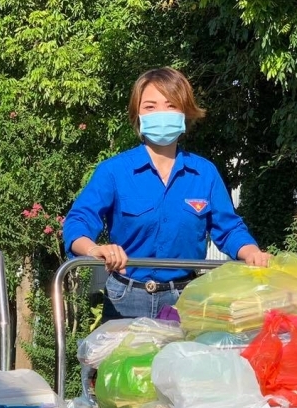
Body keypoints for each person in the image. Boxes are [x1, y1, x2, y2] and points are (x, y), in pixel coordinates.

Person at [63, 67, 271, 322]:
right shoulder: (114, 171)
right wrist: (94, 249)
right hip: (125, 300)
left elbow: (229, 229)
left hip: (185, 300)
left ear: (185, 113)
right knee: (120, 352)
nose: (161, 113)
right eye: (150, 106)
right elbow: (78, 222)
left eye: (171, 105)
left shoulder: (204, 173)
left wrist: (252, 253)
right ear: (138, 115)